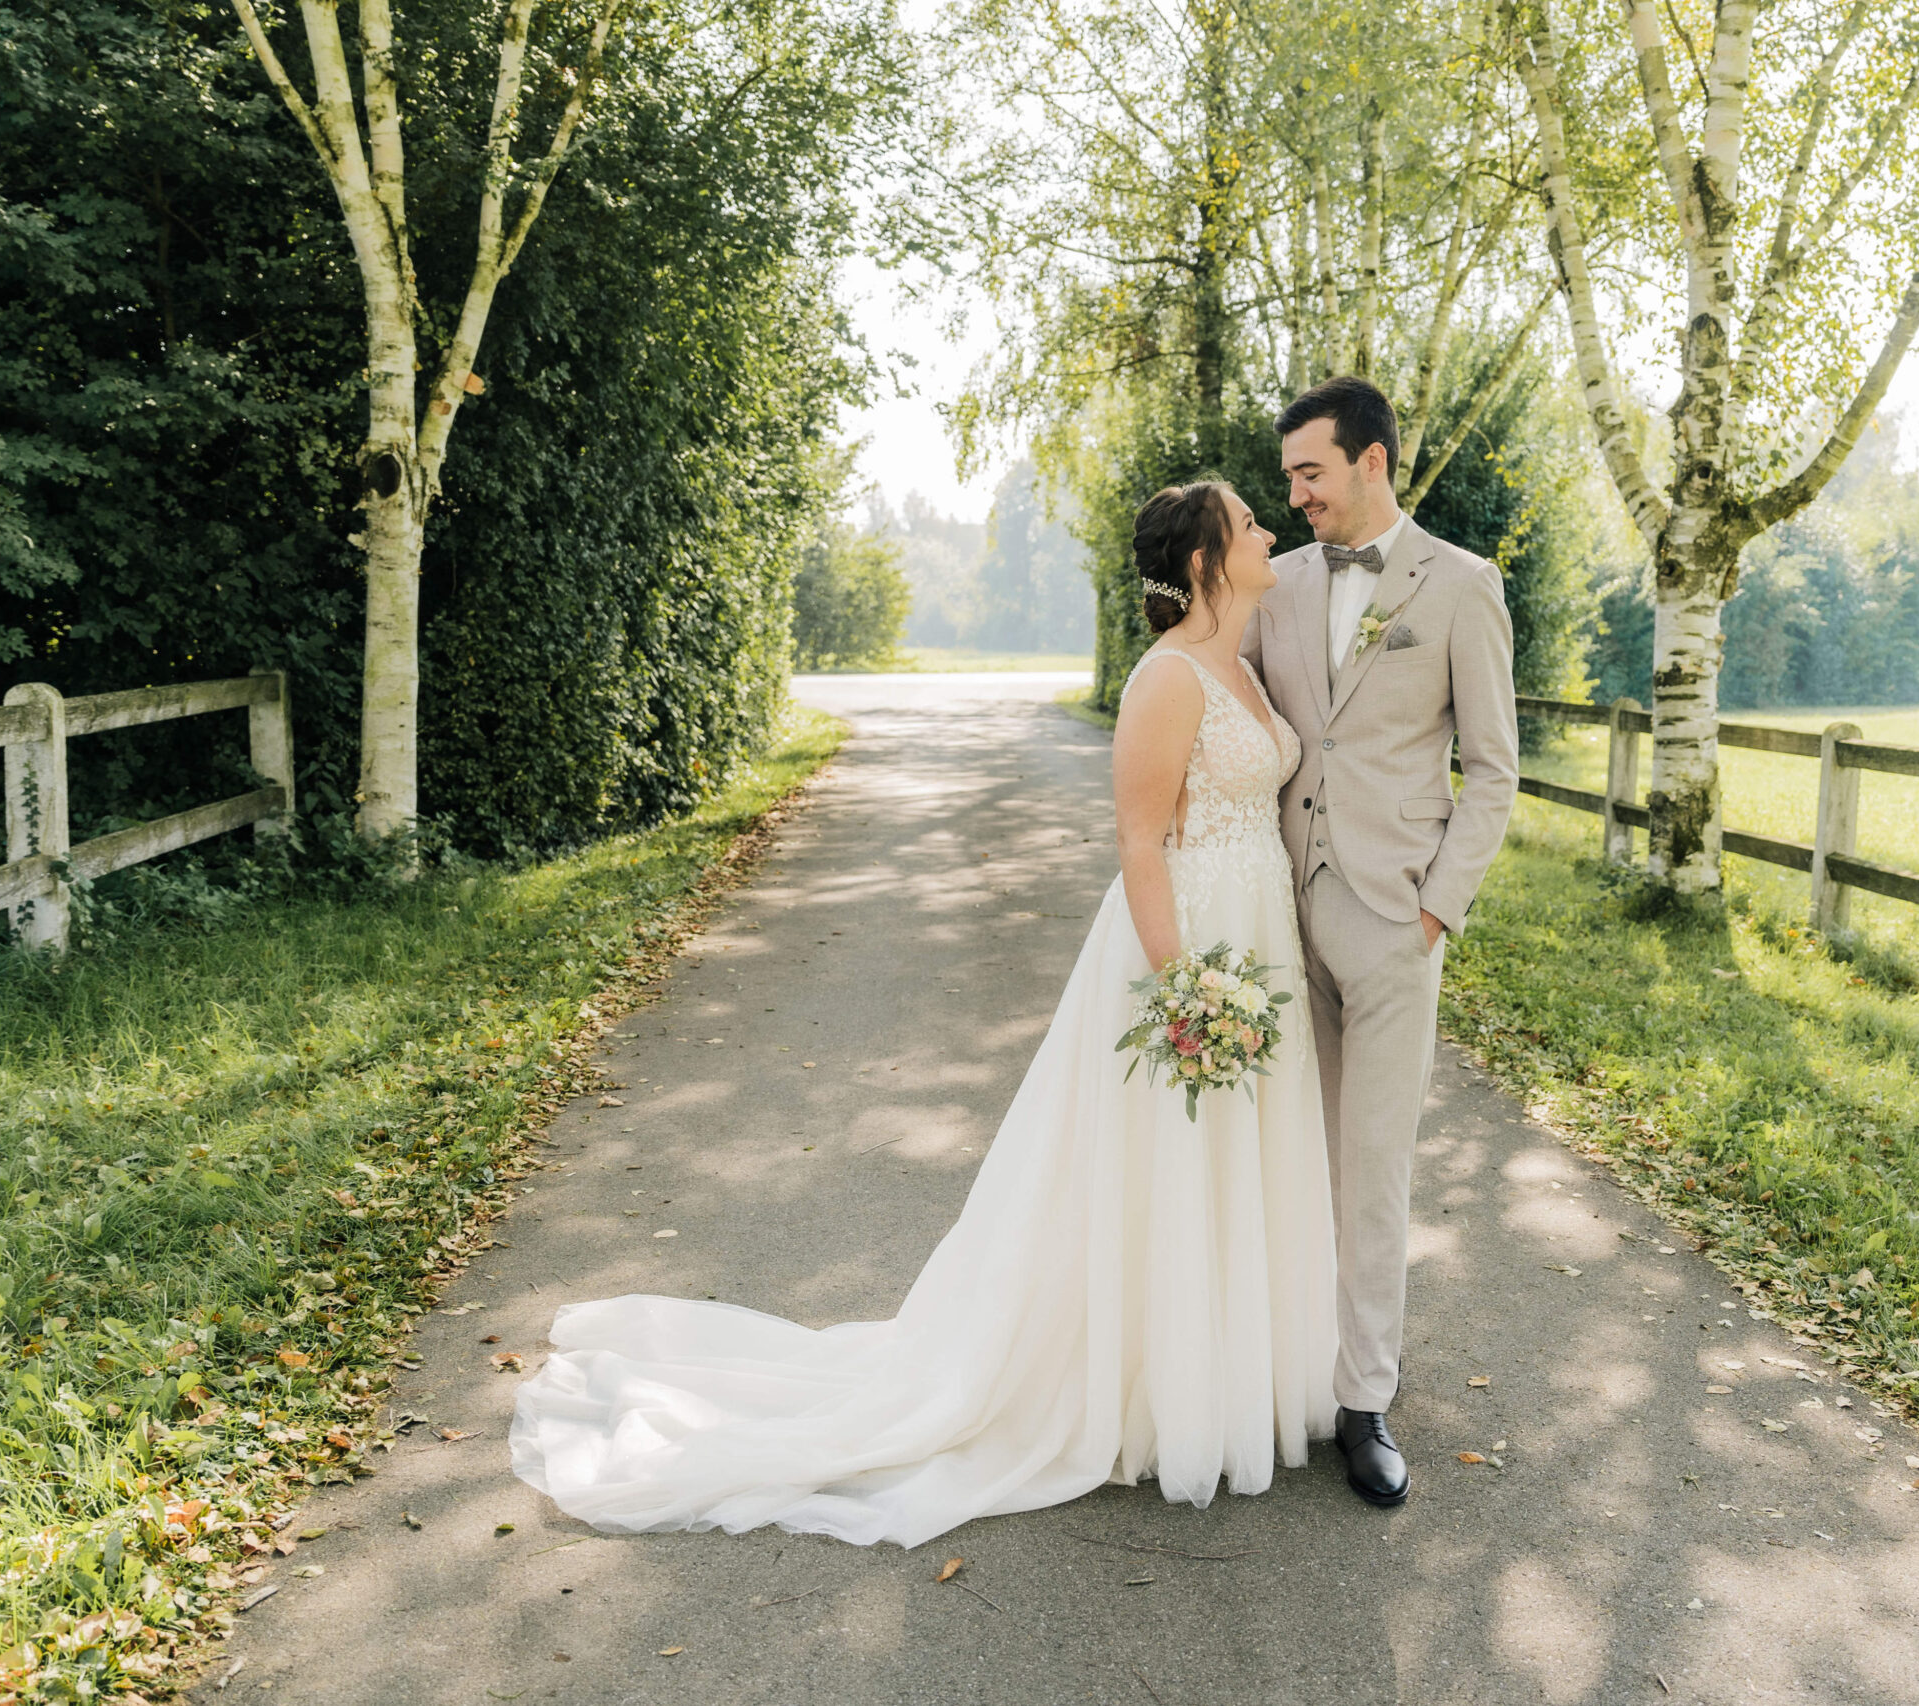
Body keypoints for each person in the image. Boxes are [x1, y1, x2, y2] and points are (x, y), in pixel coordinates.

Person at [508, 483, 1338, 1547]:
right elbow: (1139, 843)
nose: (1271, 530)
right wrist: (1186, 988)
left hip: (1259, 929)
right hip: (1192, 952)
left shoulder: (1247, 662)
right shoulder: (1168, 676)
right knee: (1167, 1164)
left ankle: (1227, 1374)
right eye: (1250, 523)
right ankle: (1149, 1393)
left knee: (1238, 1158)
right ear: (1205, 561)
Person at [1240, 376, 1519, 1507]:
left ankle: (1363, 1400)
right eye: (1291, 474)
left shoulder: (1461, 585)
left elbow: (1494, 769)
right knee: (1284, 1153)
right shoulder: (1276, 583)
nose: (1295, 493)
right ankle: (1280, 1368)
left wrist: (1435, 909)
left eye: (1311, 471)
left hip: (1394, 913)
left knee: (1372, 1168)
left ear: (1372, 462)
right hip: (1272, 903)